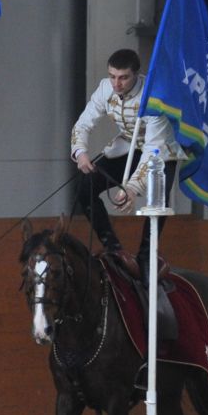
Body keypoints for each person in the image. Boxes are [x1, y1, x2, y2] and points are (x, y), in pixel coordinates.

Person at [70, 47, 181, 270]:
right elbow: (83, 123)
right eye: (112, 76)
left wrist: (131, 188)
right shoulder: (105, 88)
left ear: (137, 74)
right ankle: (113, 246)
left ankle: (146, 257)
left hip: (161, 149)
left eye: (123, 78)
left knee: (158, 202)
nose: (116, 84)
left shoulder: (153, 95)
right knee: (85, 187)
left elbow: (152, 149)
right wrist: (81, 152)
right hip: (126, 147)